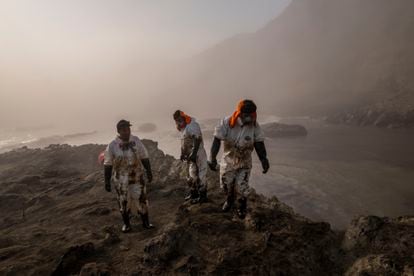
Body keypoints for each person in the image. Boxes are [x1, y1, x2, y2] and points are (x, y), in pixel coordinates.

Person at [208, 100, 270, 219]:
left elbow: (259, 143)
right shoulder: (226, 122)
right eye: (246, 114)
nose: (249, 117)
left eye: (251, 115)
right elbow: (216, 139)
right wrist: (212, 157)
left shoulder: (255, 126)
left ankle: (242, 207)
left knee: (242, 186)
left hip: (245, 161)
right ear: (239, 113)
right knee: (226, 184)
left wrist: (264, 159)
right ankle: (230, 200)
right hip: (228, 160)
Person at [103, 120, 154, 232]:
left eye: (128, 129)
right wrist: (107, 181)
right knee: (124, 201)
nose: (127, 132)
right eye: (124, 130)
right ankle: (126, 224)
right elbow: (108, 163)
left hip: (137, 176)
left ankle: (146, 222)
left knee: (141, 198)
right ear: (119, 131)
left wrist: (149, 172)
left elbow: (144, 156)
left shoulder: (136, 141)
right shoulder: (112, 145)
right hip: (121, 179)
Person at [173, 110, 208, 204]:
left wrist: (193, 153)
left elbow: (197, 138)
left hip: (199, 153)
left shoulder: (192, 125)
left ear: (184, 118)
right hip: (190, 156)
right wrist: (182, 153)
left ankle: (203, 196)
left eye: (180, 120)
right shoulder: (183, 128)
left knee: (201, 174)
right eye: (177, 121)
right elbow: (183, 143)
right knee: (191, 175)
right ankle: (194, 194)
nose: (179, 123)